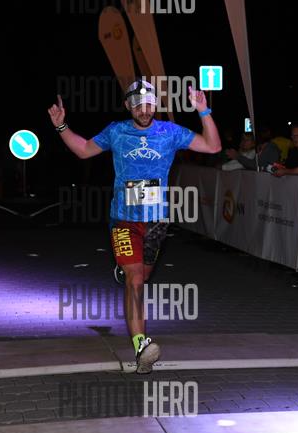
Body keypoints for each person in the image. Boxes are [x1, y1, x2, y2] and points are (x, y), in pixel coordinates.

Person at [47, 79, 220, 373]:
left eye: (149, 104)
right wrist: (61, 126)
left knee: (143, 276)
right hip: (124, 219)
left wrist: (203, 111)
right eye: (138, 105)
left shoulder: (170, 132)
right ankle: (142, 345)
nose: (144, 110)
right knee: (135, 279)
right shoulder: (116, 131)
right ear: (128, 105)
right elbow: (84, 150)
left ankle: (124, 269)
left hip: (156, 221)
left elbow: (213, 146)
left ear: (156, 105)